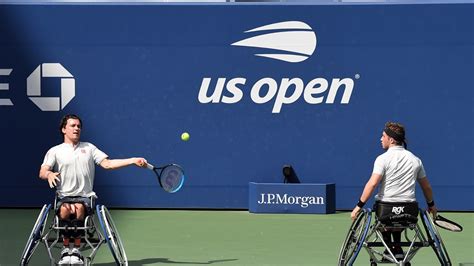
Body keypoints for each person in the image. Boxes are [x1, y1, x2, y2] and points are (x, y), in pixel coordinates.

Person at [39, 114, 148, 265]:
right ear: (64, 129)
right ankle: (66, 250)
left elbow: (108, 164)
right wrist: (49, 173)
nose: (76, 128)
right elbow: (42, 171)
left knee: (78, 209)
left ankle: (75, 251)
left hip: (85, 197)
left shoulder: (89, 148)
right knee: (65, 210)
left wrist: (132, 160)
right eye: (72, 126)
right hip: (64, 197)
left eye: (78, 126)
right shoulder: (55, 151)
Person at [350, 122, 437, 260]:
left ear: (391, 139)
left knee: (384, 216)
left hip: (385, 210)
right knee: (398, 218)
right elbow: (426, 187)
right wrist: (431, 205)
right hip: (409, 211)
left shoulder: (382, 159)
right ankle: (396, 247)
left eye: (383, 136)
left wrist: (358, 206)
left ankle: (390, 247)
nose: (380, 139)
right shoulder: (416, 160)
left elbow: (372, 184)